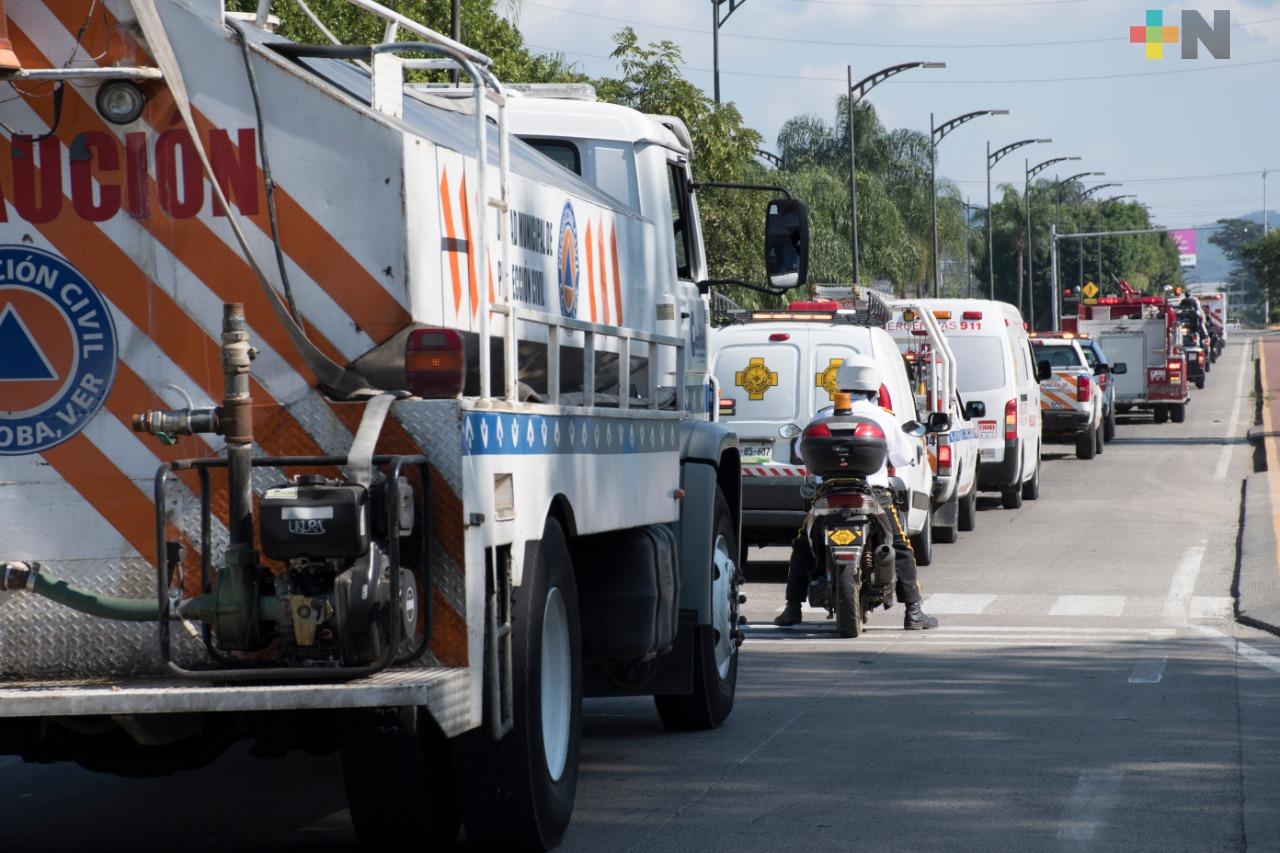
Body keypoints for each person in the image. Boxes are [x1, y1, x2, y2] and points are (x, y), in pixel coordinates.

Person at [774, 356, 939, 630]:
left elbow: (798, 452)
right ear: (874, 387)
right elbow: (903, 457)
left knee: (803, 546)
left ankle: (792, 608)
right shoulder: (883, 418)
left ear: (840, 384)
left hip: (826, 495)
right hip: (872, 494)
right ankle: (913, 611)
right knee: (900, 546)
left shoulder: (823, 415)